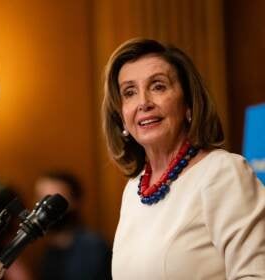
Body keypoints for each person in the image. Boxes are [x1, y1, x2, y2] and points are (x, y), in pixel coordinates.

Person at [102, 38, 265, 279]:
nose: (144, 102)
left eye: (158, 86)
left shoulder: (223, 173)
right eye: (129, 92)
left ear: (188, 103)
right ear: (121, 118)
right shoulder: (133, 190)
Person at [34, 171, 112, 280]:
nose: (45, 209)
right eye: (41, 199)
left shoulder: (93, 248)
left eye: (53, 203)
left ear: (74, 202)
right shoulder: (48, 249)